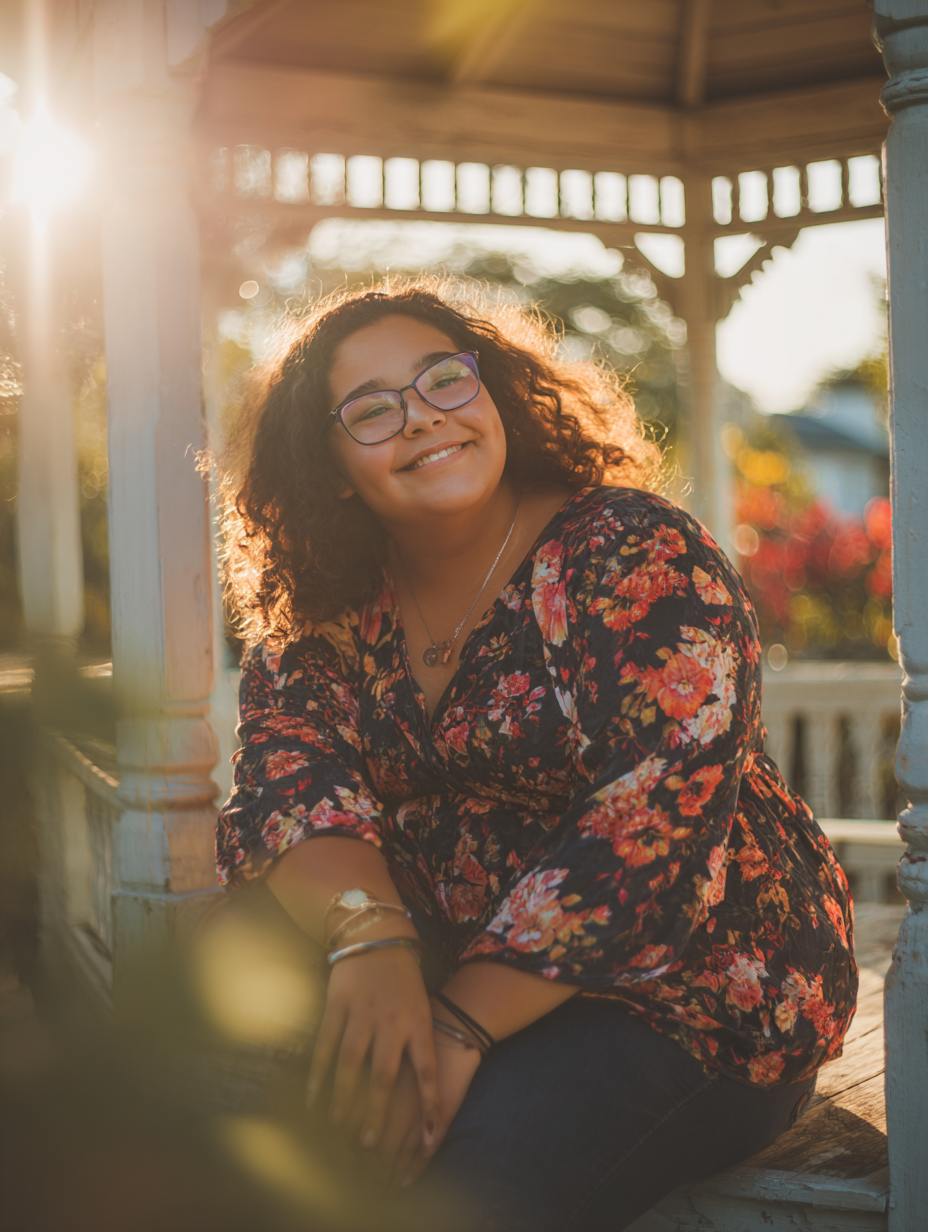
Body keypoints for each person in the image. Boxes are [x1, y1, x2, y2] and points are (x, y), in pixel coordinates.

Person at [209, 279, 857, 1231]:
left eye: (443, 380)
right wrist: (370, 936)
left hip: (686, 986)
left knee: (473, 1193)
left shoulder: (631, 553)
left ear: (494, 392)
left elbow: (650, 825)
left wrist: (456, 1022)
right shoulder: (328, 605)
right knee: (239, 1087)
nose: (423, 419)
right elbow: (293, 787)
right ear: (333, 465)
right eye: (373, 409)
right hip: (436, 945)